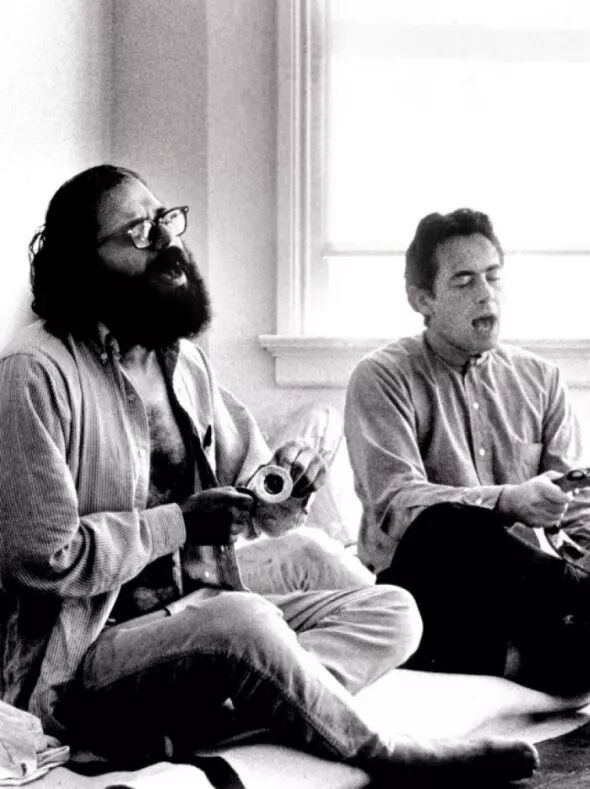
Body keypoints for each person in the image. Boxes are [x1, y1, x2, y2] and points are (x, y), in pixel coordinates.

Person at [0, 166, 537, 784]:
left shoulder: (183, 362)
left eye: (165, 219)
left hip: (196, 609)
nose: (168, 241)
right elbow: (42, 560)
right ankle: (383, 753)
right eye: (139, 231)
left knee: (393, 611)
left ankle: (228, 716)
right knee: (245, 623)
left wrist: (286, 483)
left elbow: (256, 500)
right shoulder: (35, 372)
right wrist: (180, 523)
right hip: (89, 655)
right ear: (83, 262)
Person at [344, 208, 590, 695]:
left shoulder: (541, 379)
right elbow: (395, 505)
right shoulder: (381, 376)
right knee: (446, 526)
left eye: (493, 277)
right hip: (428, 591)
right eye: (464, 281)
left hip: (527, 593)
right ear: (422, 298)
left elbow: (580, 504)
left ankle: (550, 636)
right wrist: (508, 501)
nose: (486, 294)